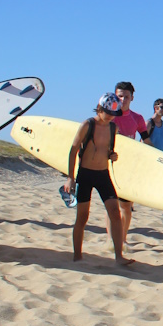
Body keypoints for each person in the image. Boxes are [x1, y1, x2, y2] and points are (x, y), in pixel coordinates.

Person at [65, 94, 134, 265]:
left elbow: (108, 150)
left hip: (103, 175)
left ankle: (119, 257)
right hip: (86, 174)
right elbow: (73, 151)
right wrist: (70, 178)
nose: (111, 116)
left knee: (115, 214)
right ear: (100, 108)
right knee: (82, 217)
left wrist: (113, 155)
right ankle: (77, 256)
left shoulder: (113, 128)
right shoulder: (87, 125)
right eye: (108, 112)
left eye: (113, 114)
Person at [108, 81, 150, 249]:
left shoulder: (137, 118)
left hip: (130, 167)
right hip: (110, 164)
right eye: (120, 96)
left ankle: (123, 239)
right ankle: (111, 241)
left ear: (132, 98)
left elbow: (146, 140)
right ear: (115, 96)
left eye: (126, 96)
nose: (123, 99)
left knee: (126, 206)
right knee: (110, 205)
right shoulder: (109, 115)